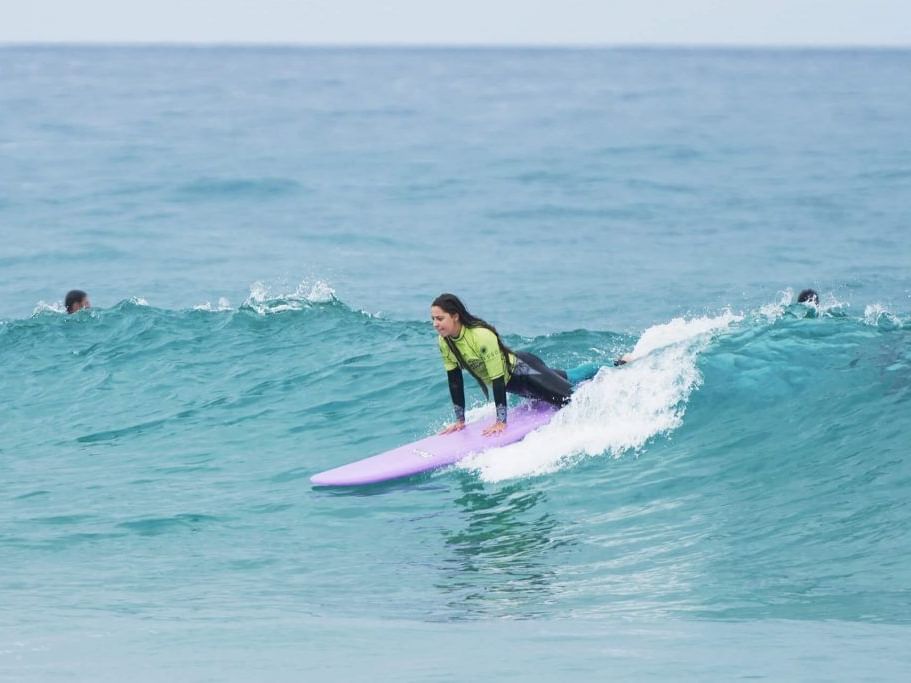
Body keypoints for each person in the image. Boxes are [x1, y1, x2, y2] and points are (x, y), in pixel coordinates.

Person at [431, 293, 597, 437]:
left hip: (524, 370)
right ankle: (606, 366)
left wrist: (501, 422)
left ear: (455, 316)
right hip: (516, 382)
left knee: (571, 400)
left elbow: (498, 379)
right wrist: (460, 421)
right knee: (571, 377)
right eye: (433, 319)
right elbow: (455, 381)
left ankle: (610, 371)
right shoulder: (445, 342)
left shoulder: (480, 335)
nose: (435, 324)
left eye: (440, 318)